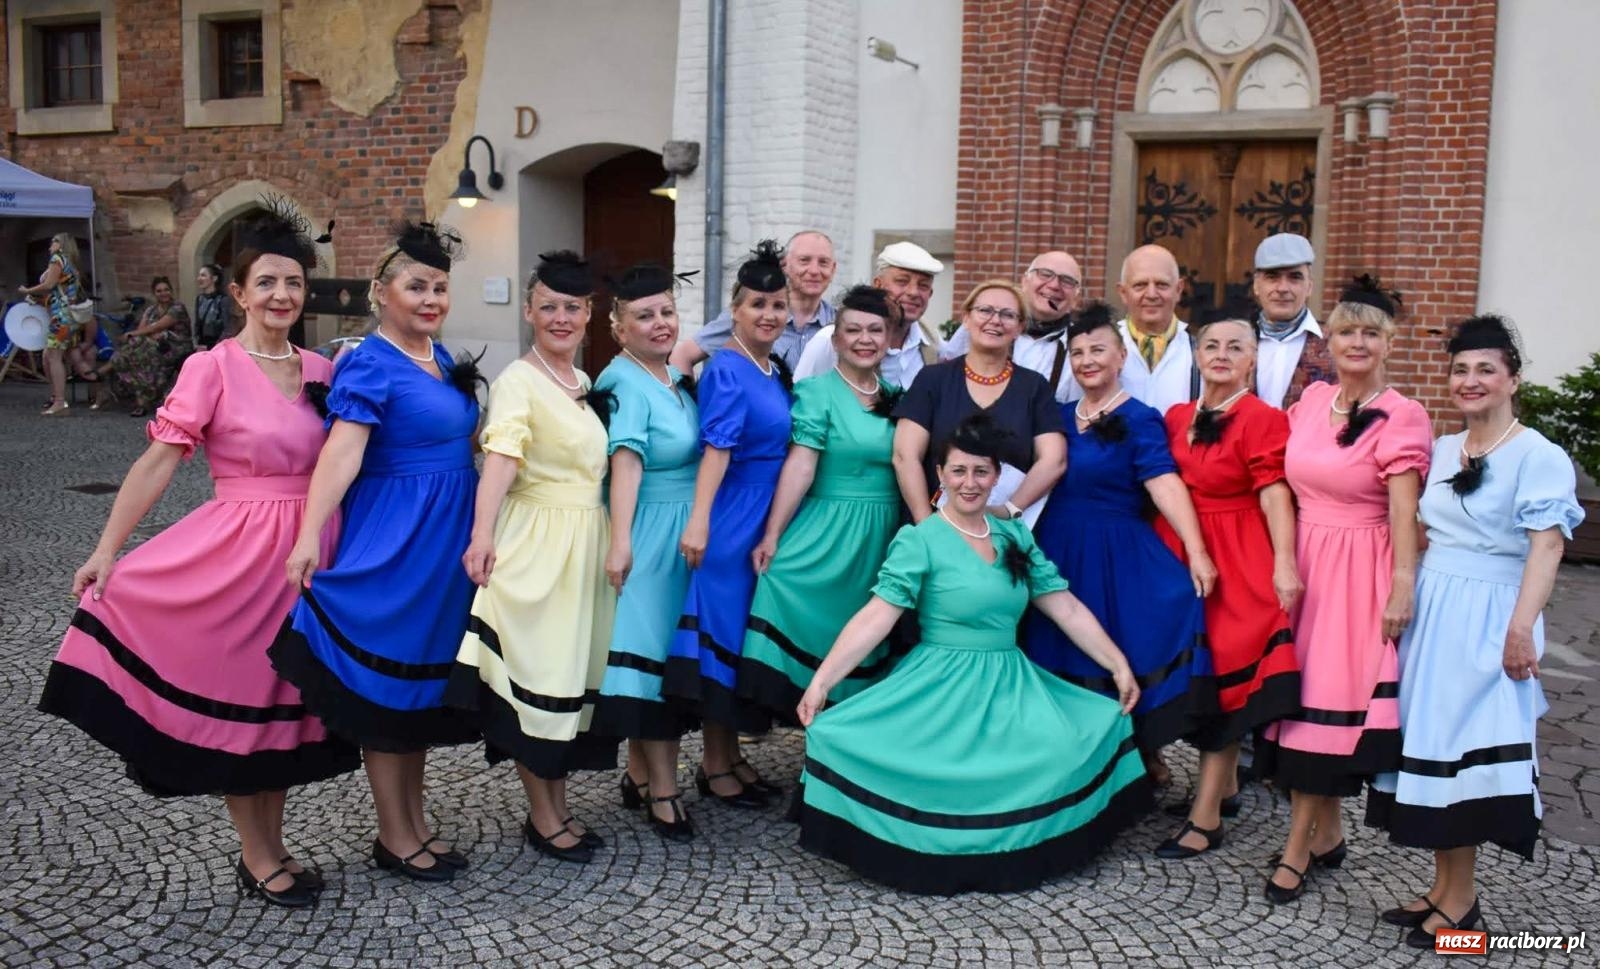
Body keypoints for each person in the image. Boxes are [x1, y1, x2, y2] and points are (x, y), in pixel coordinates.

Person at [38, 200, 358, 909]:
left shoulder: (324, 370)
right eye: (267, 282)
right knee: (244, 705)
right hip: (240, 558)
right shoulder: (211, 366)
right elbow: (159, 462)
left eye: (294, 283)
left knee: (288, 711)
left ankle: (273, 844)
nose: (282, 295)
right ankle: (256, 854)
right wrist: (106, 549)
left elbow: (349, 460)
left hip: (310, 558)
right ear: (238, 292)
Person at [794, 414, 1149, 895]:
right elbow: (878, 615)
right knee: (928, 768)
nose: (970, 482)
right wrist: (822, 682)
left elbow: (1062, 605)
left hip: (1009, 680)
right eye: (958, 471)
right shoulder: (921, 539)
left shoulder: (1014, 536)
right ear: (939, 473)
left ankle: (1017, 852)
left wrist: (1117, 663)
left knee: (1061, 747)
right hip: (938, 680)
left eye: (981, 471)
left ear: (997, 476)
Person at [269, 219, 480, 884]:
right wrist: (309, 533)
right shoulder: (369, 361)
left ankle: (414, 820)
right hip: (399, 539)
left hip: (445, 543)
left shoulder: (440, 359)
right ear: (381, 292)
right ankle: (394, 834)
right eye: (417, 286)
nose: (430, 299)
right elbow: (343, 451)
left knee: (420, 691)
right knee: (389, 688)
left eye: (440, 288)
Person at [1368, 316, 1583, 949]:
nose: (1471, 380)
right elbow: (1424, 533)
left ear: (1513, 379)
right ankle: (1442, 889)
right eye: (1460, 370)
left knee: (1465, 756)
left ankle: (1462, 911)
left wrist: (1521, 631)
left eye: (1486, 369)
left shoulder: (1537, 455)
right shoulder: (1440, 450)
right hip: (1436, 610)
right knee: (1432, 746)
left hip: (1490, 617)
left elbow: (1546, 548)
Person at [1258, 277, 1432, 904]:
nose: (1357, 342)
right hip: (1301, 565)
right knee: (1290, 701)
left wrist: (1401, 588)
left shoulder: (1404, 415)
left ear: (1390, 342)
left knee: (1323, 722)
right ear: (1326, 341)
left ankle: (1297, 849)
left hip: (1361, 571)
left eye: (1370, 332)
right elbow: (1277, 484)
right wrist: (1278, 560)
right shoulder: (1310, 402)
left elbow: (1405, 514)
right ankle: (1328, 834)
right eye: (1346, 331)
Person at [447, 251, 615, 866]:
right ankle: (544, 816)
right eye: (549, 307)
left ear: (589, 314)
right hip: (538, 545)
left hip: (584, 544)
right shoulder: (521, 379)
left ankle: (558, 805)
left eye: (572, 307)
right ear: (529, 311)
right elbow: (502, 456)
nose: (561, 317)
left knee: (568, 679)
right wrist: (481, 535)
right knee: (538, 678)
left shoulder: (585, 383)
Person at [1022, 303, 1217, 781]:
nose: (1088, 360)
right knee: (1057, 645)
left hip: (1117, 551)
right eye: (1079, 352)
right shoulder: (1058, 416)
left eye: (1099, 350)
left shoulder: (1141, 417)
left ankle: (1137, 754)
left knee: (1122, 642)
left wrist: (1195, 550)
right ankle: (1064, 763)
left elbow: (1163, 481)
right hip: (1058, 545)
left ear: (1121, 357)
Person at [1152, 314, 1302, 861]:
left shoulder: (1264, 418)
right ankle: (1225, 787)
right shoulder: (1173, 416)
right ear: (1195, 355)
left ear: (1252, 359)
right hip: (1177, 551)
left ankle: (1206, 815)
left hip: (1236, 557)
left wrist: (1283, 562)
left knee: (1227, 684)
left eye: (1235, 346)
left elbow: (1275, 493)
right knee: (1190, 677)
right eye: (1211, 344)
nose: (1221, 353)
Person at [664, 240, 793, 809]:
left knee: (741, 645)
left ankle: (734, 757)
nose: (769, 314)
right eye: (757, 304)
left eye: (778, 305)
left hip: (765, 512)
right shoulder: (726, 370)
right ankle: (714, 767)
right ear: (734, 312)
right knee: (720, 645)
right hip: (731, 516)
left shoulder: (773, 367)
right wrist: (699, 523)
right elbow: (715, 450)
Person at [739, 285, 903, 722]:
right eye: (853, 330)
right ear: (836, 341)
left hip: (881, 538)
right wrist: (772, 535)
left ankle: (846, 755)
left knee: (866, 638)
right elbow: (801, 467)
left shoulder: (898, 396)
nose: (865, 339)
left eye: (875, 330)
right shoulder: (815, 392)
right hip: (830, 531)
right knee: (806, 618)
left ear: (888, 339)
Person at [588, 263, 702, 842]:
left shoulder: (664, 375)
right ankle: (664, 790)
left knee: (667, 657)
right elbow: (625, 461)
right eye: (644, 316)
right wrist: (623, 542)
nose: (659, 324)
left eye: (666, 312)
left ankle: (639, 774)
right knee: (655, 664)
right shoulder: (623, 382)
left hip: (679, 526)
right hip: (651, 531)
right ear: (618, 327)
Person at [891, 279, 1066, 524]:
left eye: (1007, 314)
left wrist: (1009, 510)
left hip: (1003, 534)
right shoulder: (933, 380)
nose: (995, 320)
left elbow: (1053, 460)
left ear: (1019, 327)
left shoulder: (1034, 387)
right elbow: (905, 455)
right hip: (932, 525)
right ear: (966, 318)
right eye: (985, 310)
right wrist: (927, 526)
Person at [670, 230, 836, 372]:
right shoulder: (748, 316)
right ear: (784, 265)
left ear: (833, 269)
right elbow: (682, 355)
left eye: (823, 262)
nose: (814, 270)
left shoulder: (840, 326)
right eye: (804, 260)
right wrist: (686, 404)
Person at [792, 241, 945, 389]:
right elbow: (801, 396)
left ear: (930, 293)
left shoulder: (933, 343)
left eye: (923, 285)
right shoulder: (829, 339)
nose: (913, 292)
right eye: (902, 282)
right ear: (878, 285)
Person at [941, 250, 1084, 401]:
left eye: (1067, 281)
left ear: (1076, 297)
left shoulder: (1081, 347)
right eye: (1045, 274)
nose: (1054, 285)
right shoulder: (982, 327)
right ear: (1024, 281)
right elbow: (948, 380)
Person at [1250, 234, 1334, 409]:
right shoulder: (1238, 341)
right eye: (1272, 277)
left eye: (1294, 277)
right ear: (1257, 286)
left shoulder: (1336, 343)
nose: (1282, 288)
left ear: (1309, 286)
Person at [97, 276, 194, 417]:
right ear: (154, 293)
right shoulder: (151, 310)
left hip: (175, 346)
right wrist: (137, 335)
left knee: (139, 348)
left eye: (166, 290)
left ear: (171, 291)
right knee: (138, 352)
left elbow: (158, 326)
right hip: (154, 345)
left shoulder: (177, 308)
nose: (163, 293)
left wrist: (132, 334)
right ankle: (142, 401)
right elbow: (143, 330)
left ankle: (106, 369)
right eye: (159, 291)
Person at [1115, 244, 1192, 414]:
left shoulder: (1200, 353)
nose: (1151, 294)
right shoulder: (1101, 349)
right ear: (1123, 293)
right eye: (1140, 285)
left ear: (1178, 290)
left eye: (1161, 284)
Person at [18, 233, 87, 416]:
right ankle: (57, 397)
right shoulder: (70, 263)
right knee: (49, 356)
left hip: (62, 316)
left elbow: (48, 285)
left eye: (54, 241)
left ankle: (59, 402)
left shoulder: (57, 259)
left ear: (61, 244)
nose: (50, 245)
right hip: (67, 315)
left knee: (53, 356)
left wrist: (28, 290)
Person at [195, 262, 233, 349]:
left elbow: (228, 327)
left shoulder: (223, 300)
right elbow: (197, 324)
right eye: (199, 275)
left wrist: (216, 346)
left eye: (203, 275)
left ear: (214, 278)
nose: (199, 278)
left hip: (218, 345)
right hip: (202, 345)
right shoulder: (199, 299)